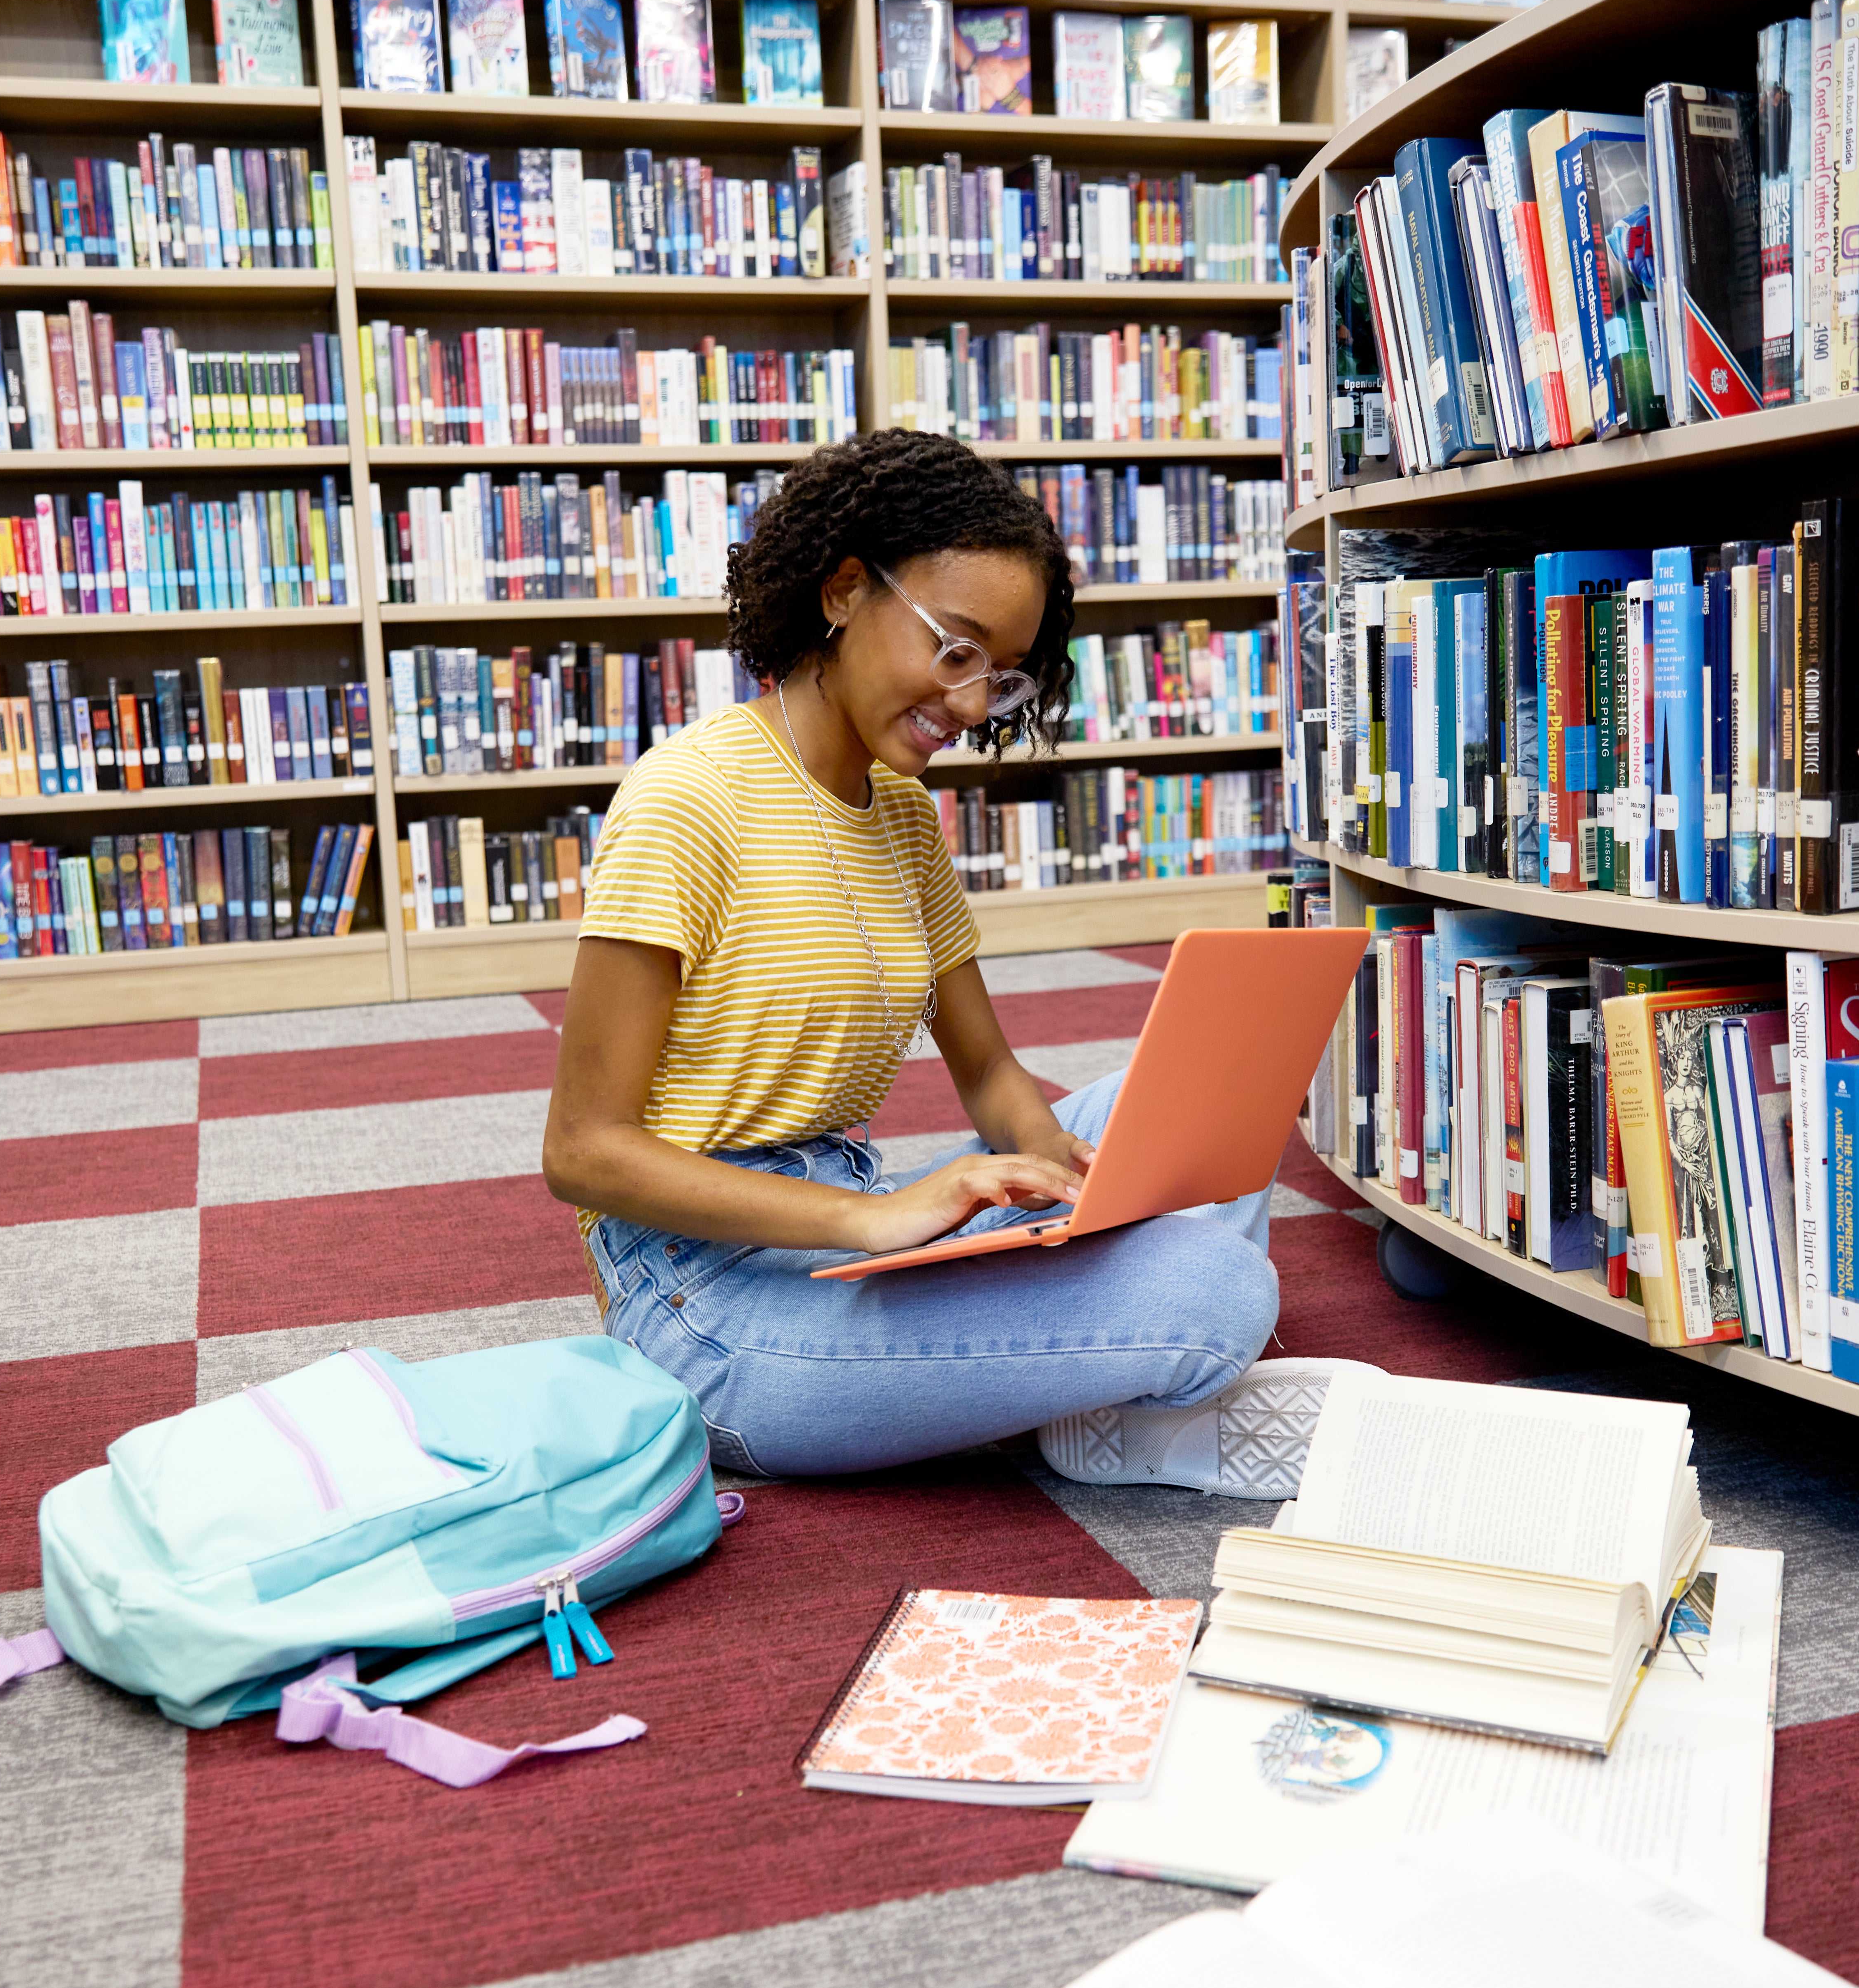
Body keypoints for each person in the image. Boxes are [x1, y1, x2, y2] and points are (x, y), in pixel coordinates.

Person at [542, 430, 1359, 1492]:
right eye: (955, 650)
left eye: (1004, 676)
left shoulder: (899, 813)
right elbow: (583, 1154)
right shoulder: (687, 799)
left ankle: (1097, 1389)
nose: (972, 706)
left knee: (1174, 1118)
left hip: (840, 1210)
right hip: (704, 1303)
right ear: (844, 591)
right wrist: (873, 1218)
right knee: (1216, 1290)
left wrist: (1070, 1175)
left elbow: (988, 1075)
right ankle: (1129, 1387)